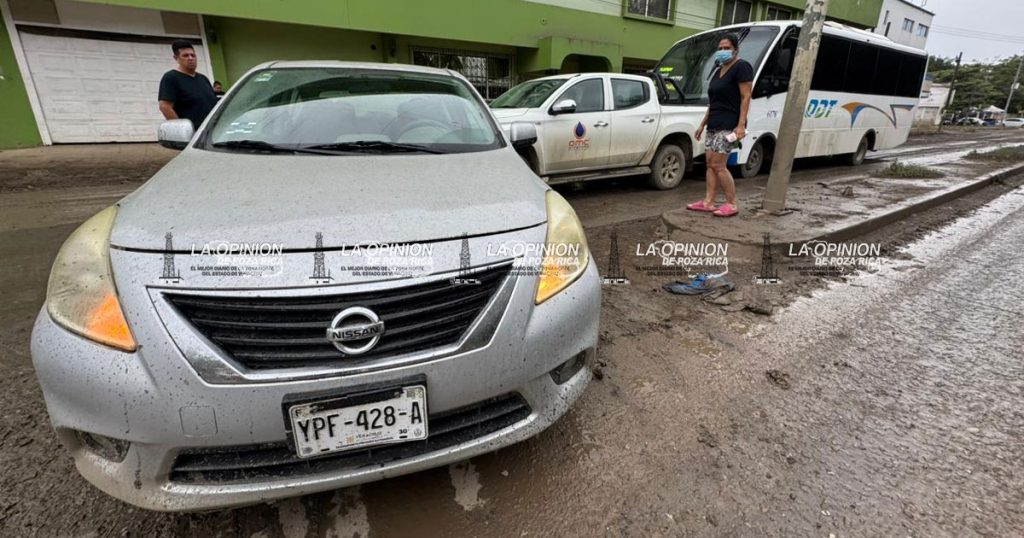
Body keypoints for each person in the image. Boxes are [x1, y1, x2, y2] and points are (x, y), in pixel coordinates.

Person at [688, 33, 753, 218]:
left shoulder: (742, 67)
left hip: (729, 124)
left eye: (727, 48)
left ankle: (731, 203)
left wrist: (741, 125)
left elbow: (746, 96)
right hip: (714, 122)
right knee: (709, 164)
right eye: (720, 48)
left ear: (735, 49)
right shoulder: (719, 70)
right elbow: (714, 101)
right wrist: (702, 124)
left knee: (719, 165)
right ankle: (708, 202)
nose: (723, 51)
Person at [158, 40, 217, 129]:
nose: (190, 58)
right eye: (185, 56)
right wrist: (182, 130)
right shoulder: (171, 78)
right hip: (194, 136)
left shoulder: (203, 79)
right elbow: (165, 107)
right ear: (176, 58)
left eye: (193, 55)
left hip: (214, 132)